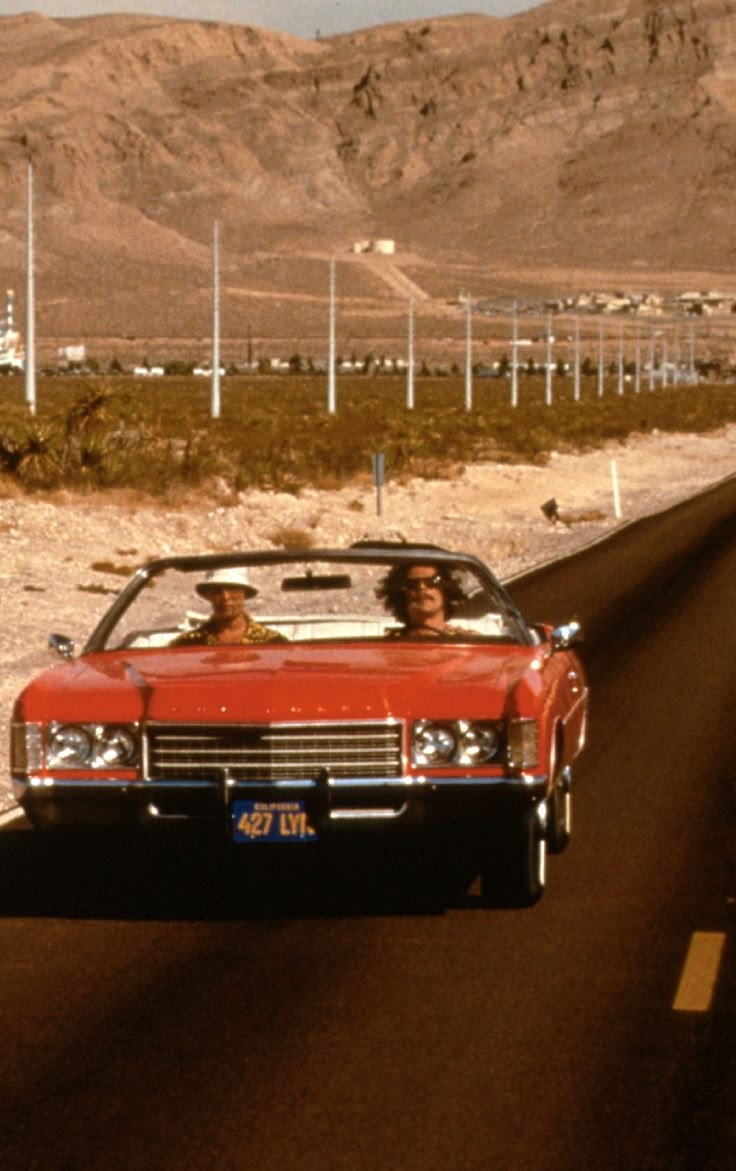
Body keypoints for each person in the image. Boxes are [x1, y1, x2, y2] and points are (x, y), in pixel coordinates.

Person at [172, 567, 286, 646]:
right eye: (217, 591)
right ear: (209, 595)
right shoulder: (189, 643)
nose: (226, 597)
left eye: (233, 589)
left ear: (244, 594)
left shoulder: (273, 642)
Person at [376, 562, 469, 639]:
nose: (421, 587)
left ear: (447, 591)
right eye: (412, 584)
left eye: (432, 581)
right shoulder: (390, 645)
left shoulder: (468, 642)